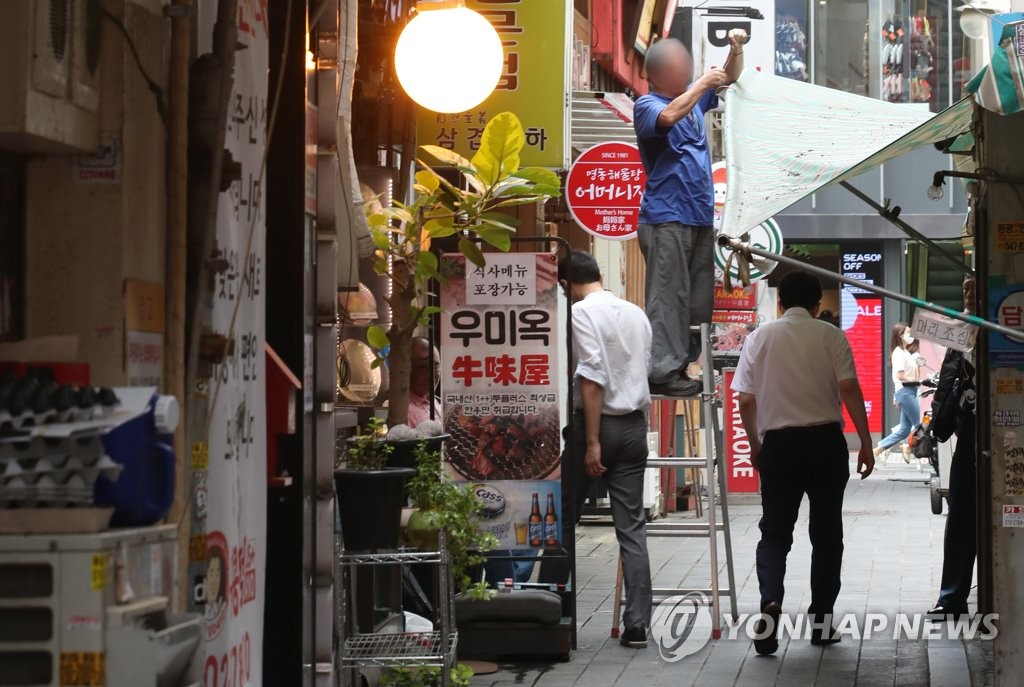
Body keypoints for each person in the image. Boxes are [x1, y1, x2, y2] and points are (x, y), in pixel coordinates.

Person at [733, 271, 874, 655]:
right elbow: (848, 387)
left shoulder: (759, 338)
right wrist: (865, 442)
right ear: (817, 306)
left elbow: (745, 400)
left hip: (778, 444)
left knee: (775, 533)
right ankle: (821, 624)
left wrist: (755, 443)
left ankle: (771, 600)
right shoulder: (831, 335)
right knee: (827, 536)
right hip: (825, 445)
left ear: (780, 304)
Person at [546, 250, 654, 648]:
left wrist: (591, 442)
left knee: (560, 520)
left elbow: (591, 379)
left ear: (564, 284)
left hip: (596, 427)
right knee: (632, 529)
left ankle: (549, 607)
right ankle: (638, 622)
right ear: (599, 274)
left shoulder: (578, 315)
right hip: (633, 428)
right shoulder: (636, 313)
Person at [633, 30, 746, 397]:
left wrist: (736, 48)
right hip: (666, 216)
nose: (686, 70)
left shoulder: (694, 103)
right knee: (669, 296)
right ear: (658, 73)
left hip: (698, 216)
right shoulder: (648, 104)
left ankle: (683, 365)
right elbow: (668, 116)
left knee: (699, 299)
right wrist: (701, 83)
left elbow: (730, 76)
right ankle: (661, 372)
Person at [928, 276, 977, 620]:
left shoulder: (1003, 322)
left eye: (975, 286)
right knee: (961, 510)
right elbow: (948, 378)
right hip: (972, 427)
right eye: (964, 287)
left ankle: (953, 596)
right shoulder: (961, 327)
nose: (969, 292)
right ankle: (952, 596)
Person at [873, 322, 927, 466]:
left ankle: (877, 450)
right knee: (920, 425)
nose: (911, 335)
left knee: (904, 430)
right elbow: (900, 376)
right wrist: (918, 381)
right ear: (900, 335)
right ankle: (908, 446)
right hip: (906, 392)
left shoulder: (906, 352)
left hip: (908, 392)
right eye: (908, 332)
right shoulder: (898, 353)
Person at [407, 336, 441, 428]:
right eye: (422, 368)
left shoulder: (435, 401)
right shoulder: (405, 411)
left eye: (435, 366)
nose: (431, 374)